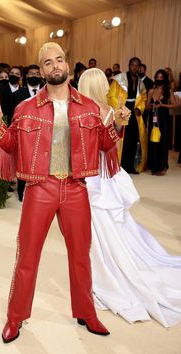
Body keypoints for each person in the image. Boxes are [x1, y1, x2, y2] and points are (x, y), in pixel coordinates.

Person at [0, 42, 130, 343]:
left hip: (76, 189)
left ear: (67, 65)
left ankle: (86, 313)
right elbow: (11, 145)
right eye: (48, 62)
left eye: (60, 60)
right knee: (27, 256)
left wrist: (118, 123)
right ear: (41, 70)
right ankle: (15, 318)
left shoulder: (90, 108)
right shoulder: (25, 109)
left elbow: (107, 144)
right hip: (40, 188)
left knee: (81, 256)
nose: (55, 66)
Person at [78, 68, 181, 327]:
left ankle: (101, 273)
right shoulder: (109, 109)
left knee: (97, 224)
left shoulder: (84, 111)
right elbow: (114, 142)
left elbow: (98, 144)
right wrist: (119, 125)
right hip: (105, 174)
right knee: (110, 223)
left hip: (92, 175)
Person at [107, 57, 147, 174]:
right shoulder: (119, 80)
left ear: (139, 67)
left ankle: (130, 166)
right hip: (122, 110)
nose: (135, 67)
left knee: (134, 138)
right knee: (123, 138)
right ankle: (121, 165)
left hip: (134, 112)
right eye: (132, 65)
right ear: (129, 66)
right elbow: (111, 96)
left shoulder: (141, 83)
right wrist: (120, 107)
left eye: (137, 65)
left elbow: (143, 99)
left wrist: (139, 109)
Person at [12, 64, 45, 202]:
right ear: (26, 76)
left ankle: (41, 192)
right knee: (23, 162)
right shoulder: (18, 94)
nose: (34, 76)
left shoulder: (46, 92)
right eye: (31, 73)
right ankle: (21, 193)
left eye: (37, 73)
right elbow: (12, 116)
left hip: (43, 134)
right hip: (24, 135)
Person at [146, 69, 177, 175]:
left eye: (161, 77)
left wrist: (162, 105)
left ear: (164, 78)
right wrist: (150, 106)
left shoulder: (168, 91)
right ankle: (154, 167)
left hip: (164, 119)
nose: (159, 79)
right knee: (154, 142)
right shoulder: (151, 91)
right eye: (157, 77)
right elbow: (147, 107)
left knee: (163, 143)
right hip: (153, 119)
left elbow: (175, 105)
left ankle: (163, 167)